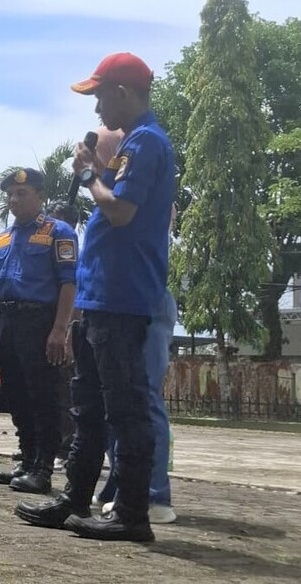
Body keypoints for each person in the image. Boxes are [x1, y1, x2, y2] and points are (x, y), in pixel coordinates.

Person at [15, 52, 176, 542]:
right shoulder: (132, 143)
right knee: (87, 407)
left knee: (125, 408)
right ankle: (75, 498)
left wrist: (89, 176)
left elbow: (121, 211)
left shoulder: (146, 142)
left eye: (100, 96)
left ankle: (132, 513)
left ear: (123, 93)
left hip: (124, 298)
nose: (97, 108)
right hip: (100, 297)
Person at [0, 172, 77, 495]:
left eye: (21, 193)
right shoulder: (2, 240)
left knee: (43, 395)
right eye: (10, 194)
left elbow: (68, 283)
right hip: (8, 321)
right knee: (16, 394)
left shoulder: (57, 232)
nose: (14, 199)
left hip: (40, 321)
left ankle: (43, 468)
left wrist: (59, 329)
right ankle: (27, 458)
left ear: (40, 196)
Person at [97, 205, 180, 525]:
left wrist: (94, 181)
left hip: (144, 298)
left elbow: (161, 211)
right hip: (117, 299)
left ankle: (154, 495)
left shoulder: (142, 188)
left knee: (143, 398)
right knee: (114, 401)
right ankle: (121, 485)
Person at [44, 199, 80, 471]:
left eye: (54, 218)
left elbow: (75, 295)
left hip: (68, 329)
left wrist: (69, 331)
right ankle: (45, 447)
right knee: (47, 390)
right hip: (49, 325)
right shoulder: (48, 252)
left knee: (64, 391)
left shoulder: (73, 251)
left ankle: (66, 450)